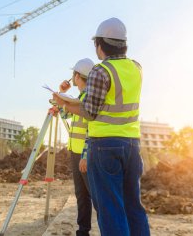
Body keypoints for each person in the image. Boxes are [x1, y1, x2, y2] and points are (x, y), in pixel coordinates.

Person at [53, 18, 150, 236]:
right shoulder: (137, 68)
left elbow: (90, 111)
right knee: (133, 207)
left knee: (111, 210)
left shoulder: (101, 71)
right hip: (132, 145)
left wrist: (63, 103)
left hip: (105, 146)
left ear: (100, 44)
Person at [49, 58, 95, 236]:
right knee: (82, 195)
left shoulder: (87, 100)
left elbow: (92, 128)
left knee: (95, 196)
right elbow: (63, 112)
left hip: (85, 155)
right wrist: (61, 92)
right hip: (76, 153)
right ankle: (83, 232)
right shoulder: (78, 99)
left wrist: (85, 155)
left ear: (76, 76)